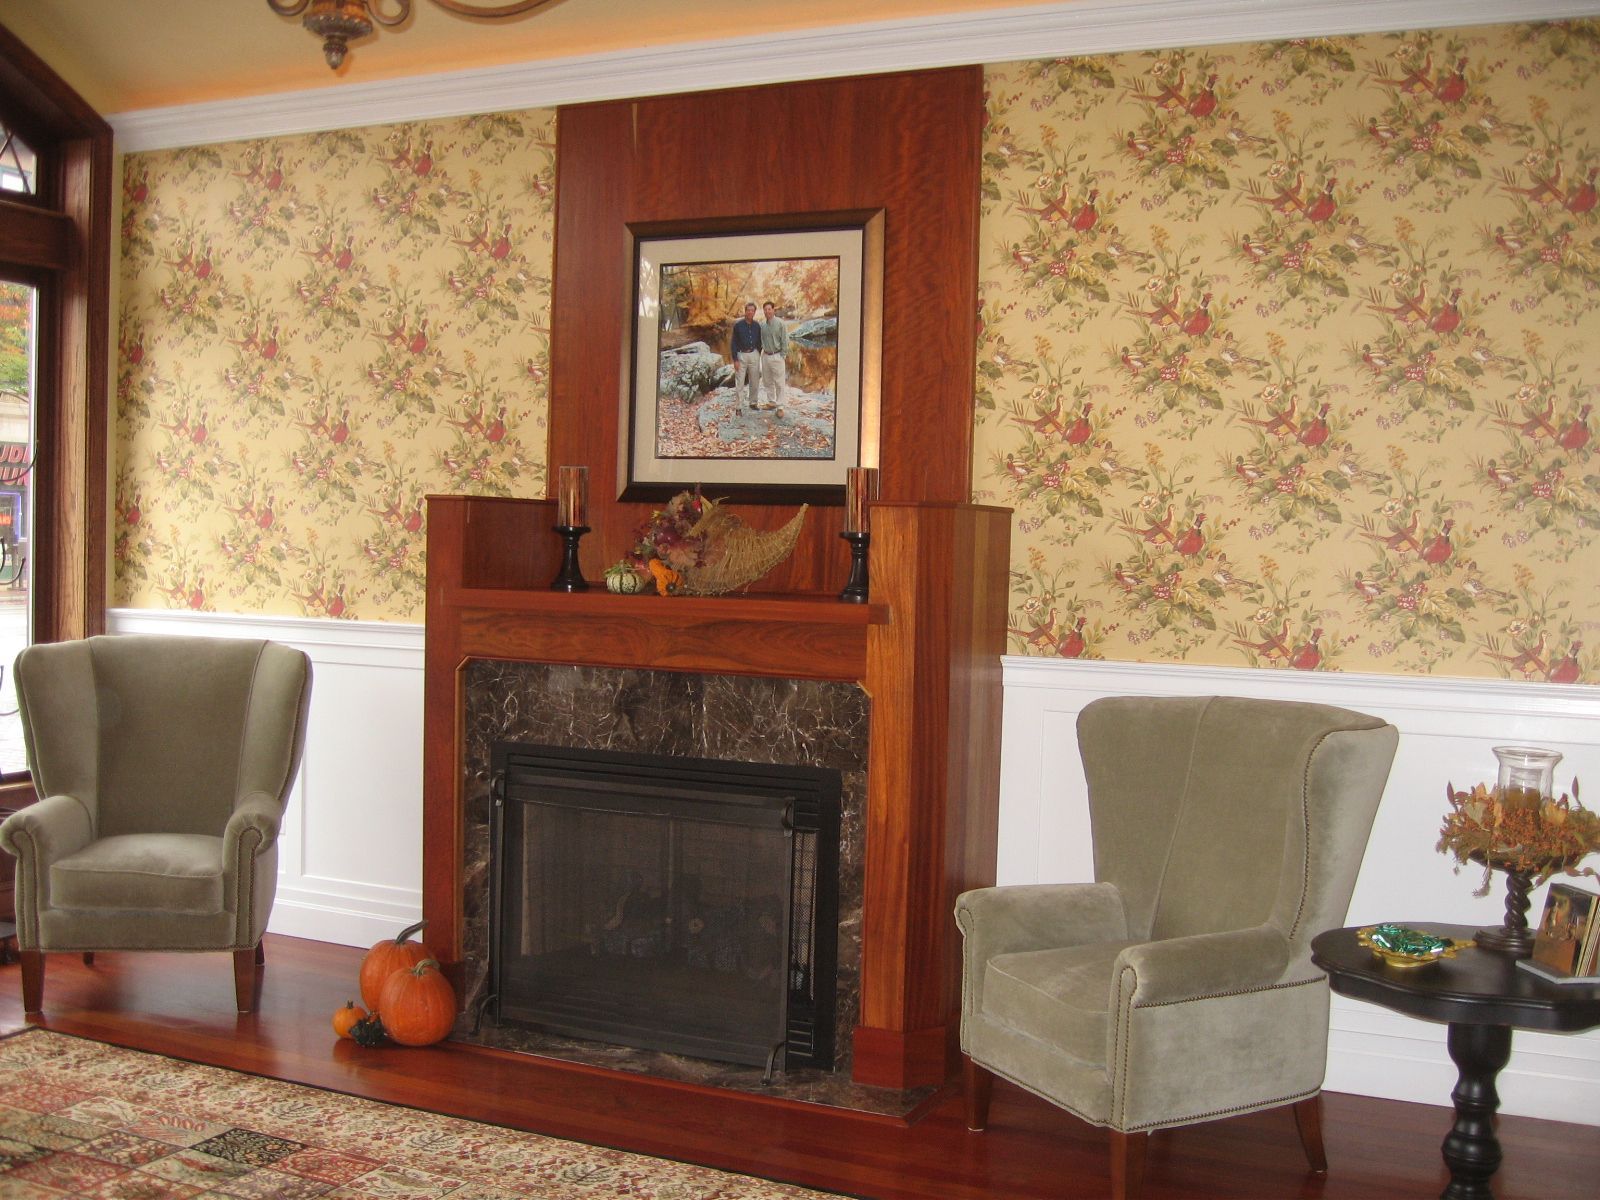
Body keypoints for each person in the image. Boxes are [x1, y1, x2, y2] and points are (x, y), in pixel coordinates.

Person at [729, 302, 763, 413]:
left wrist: (758, 352)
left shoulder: (757, 325)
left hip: (754, 354)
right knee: (740, 382)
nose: (750, 312)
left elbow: (760, 341)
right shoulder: (738, 326)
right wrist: (735, 359)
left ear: (754, 312)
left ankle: (753, 403)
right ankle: (738, 406)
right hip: (741, 355)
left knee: (755, 381)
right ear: (745, 311)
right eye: (748, 310)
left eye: (752, 310)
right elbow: (733, 343)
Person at [759, 300, 789, 410]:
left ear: (773, 310)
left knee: (779, 382)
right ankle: (771, 402)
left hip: (777, 355)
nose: (767, 311)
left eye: (769, 309)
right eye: (765, 310)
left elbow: (785, 340)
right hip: (765, 355)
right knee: (767, 381)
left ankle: (780, 406)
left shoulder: (781, 323)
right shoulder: (762, 325)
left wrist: (783, 355)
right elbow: (760, 340)